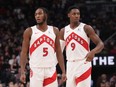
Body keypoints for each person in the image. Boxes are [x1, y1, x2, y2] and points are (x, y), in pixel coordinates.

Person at [20, 7, 66, 87]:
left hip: (51, 69)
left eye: (40, 14)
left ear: (46, 15)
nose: (37, 16)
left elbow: (59, 52)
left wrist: (63, 71)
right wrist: (22, 72)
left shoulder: (54, 30)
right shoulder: (29, 31)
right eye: (36, 14)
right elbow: (24, 53)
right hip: (36, 69)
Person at [59, 5, 104, 87]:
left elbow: (100, 44)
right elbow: (59, 51)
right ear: (68, 15)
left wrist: (93, 52)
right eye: (74, 14)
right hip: (70, 65)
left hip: (83, 63)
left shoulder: (86, 28)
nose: (76, 16)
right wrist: (62, 70)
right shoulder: (63, 31)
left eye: (78, 14)